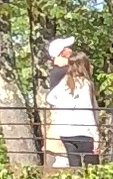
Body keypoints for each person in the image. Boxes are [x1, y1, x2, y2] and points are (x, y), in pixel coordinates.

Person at [42, 35, 99, 170]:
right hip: (78, 125)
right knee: (70, 160)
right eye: (67, 48)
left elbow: (51, 98)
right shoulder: (65, 73)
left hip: (65, 126)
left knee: (72, 162)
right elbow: (86, 108)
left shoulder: (58, 72)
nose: (70, 49)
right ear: (62, 53)